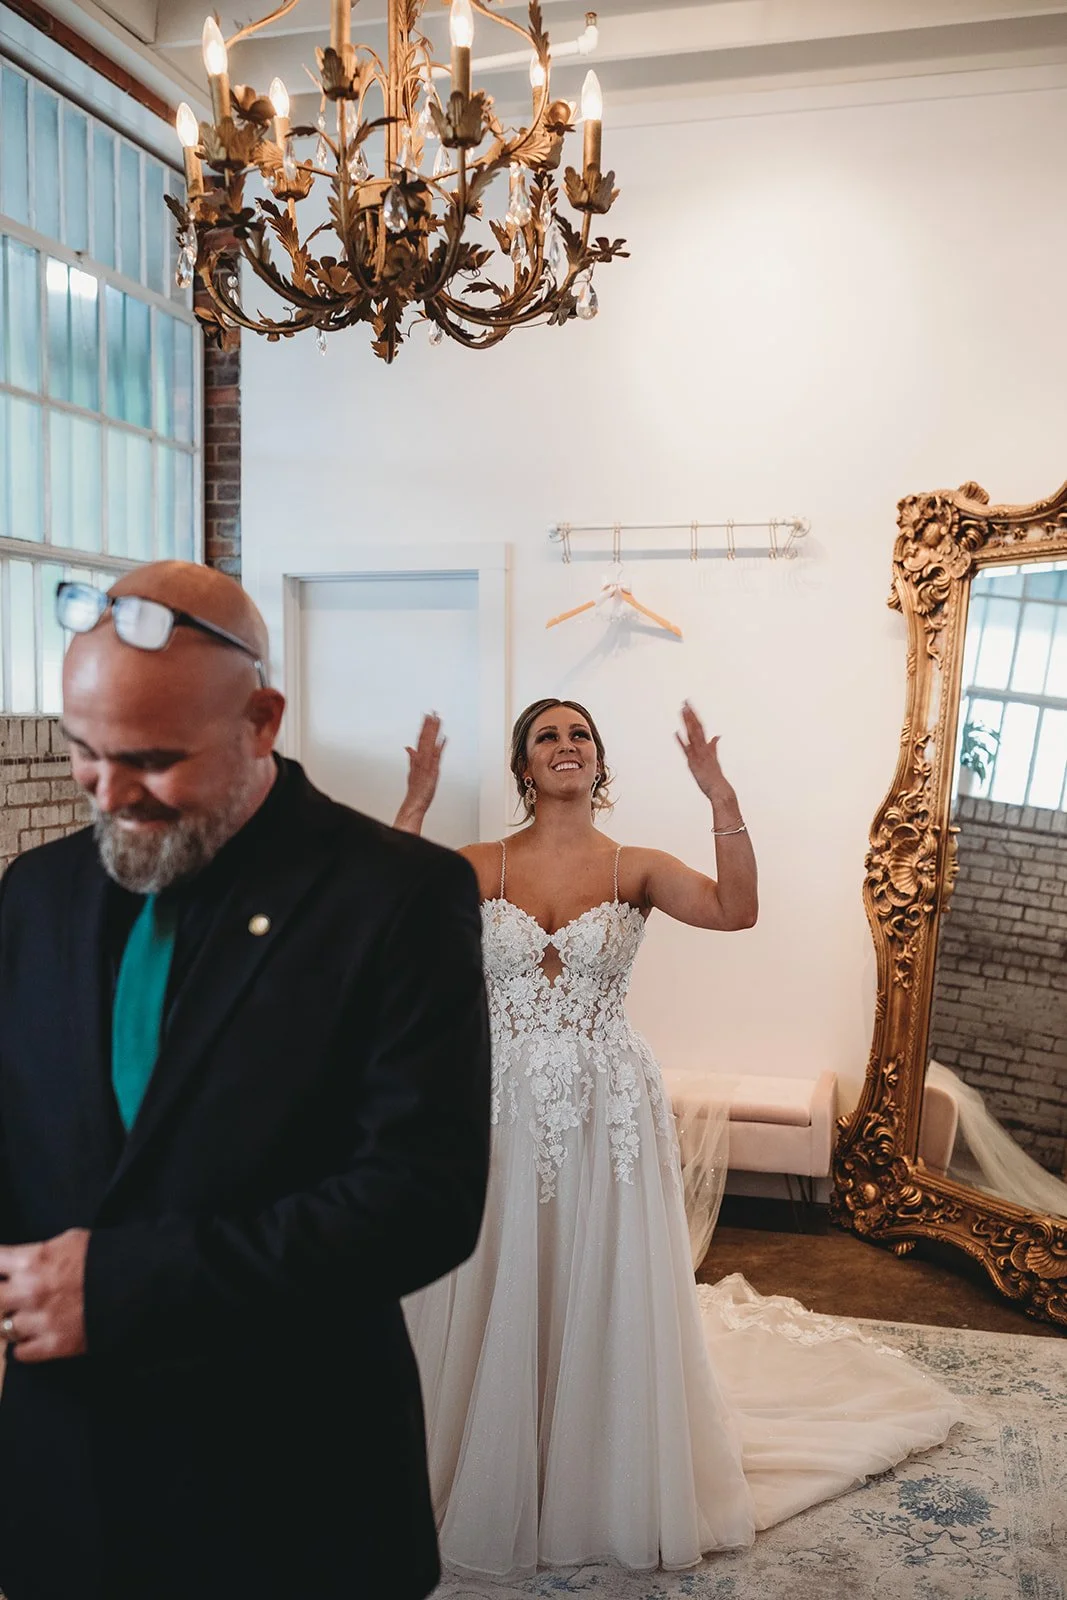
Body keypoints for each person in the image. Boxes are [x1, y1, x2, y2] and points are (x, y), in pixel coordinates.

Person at [0, 563, 491, 1600]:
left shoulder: (397, 898)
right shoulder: (33, 894)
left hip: (290, 1490)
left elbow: (422, 1201)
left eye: (152, 759)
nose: (110, 792)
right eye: (83, 752)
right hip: (66, 1484)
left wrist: (126, 1286)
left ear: (260, 720)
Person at [394, 698, 965, 1579]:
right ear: (522, 767)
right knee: (495, 1268)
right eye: (546, 735)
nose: (565, 745)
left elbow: (737, 910)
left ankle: (596, 1465)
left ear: (599, 760)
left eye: (579, 733)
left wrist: (718, 794)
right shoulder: (480, 864)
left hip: (607, 1099)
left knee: (598, 1273)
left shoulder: (637, 866)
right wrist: (416, 803)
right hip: (498, 1095)